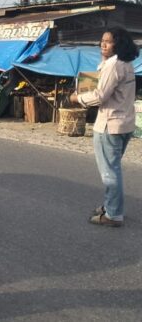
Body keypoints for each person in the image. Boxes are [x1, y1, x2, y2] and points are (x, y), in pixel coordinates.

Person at [69, 27, 139, 227]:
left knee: (110, 172)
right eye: (102, 41)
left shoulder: (113, 65)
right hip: (124, 124)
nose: (103, 44)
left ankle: (113, 214)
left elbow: (100, 96)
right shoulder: (126, 63)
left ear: (119, 44)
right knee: (113, 169)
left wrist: (77, 97)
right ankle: (111, 206)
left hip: (109, 125)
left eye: (108, 41)